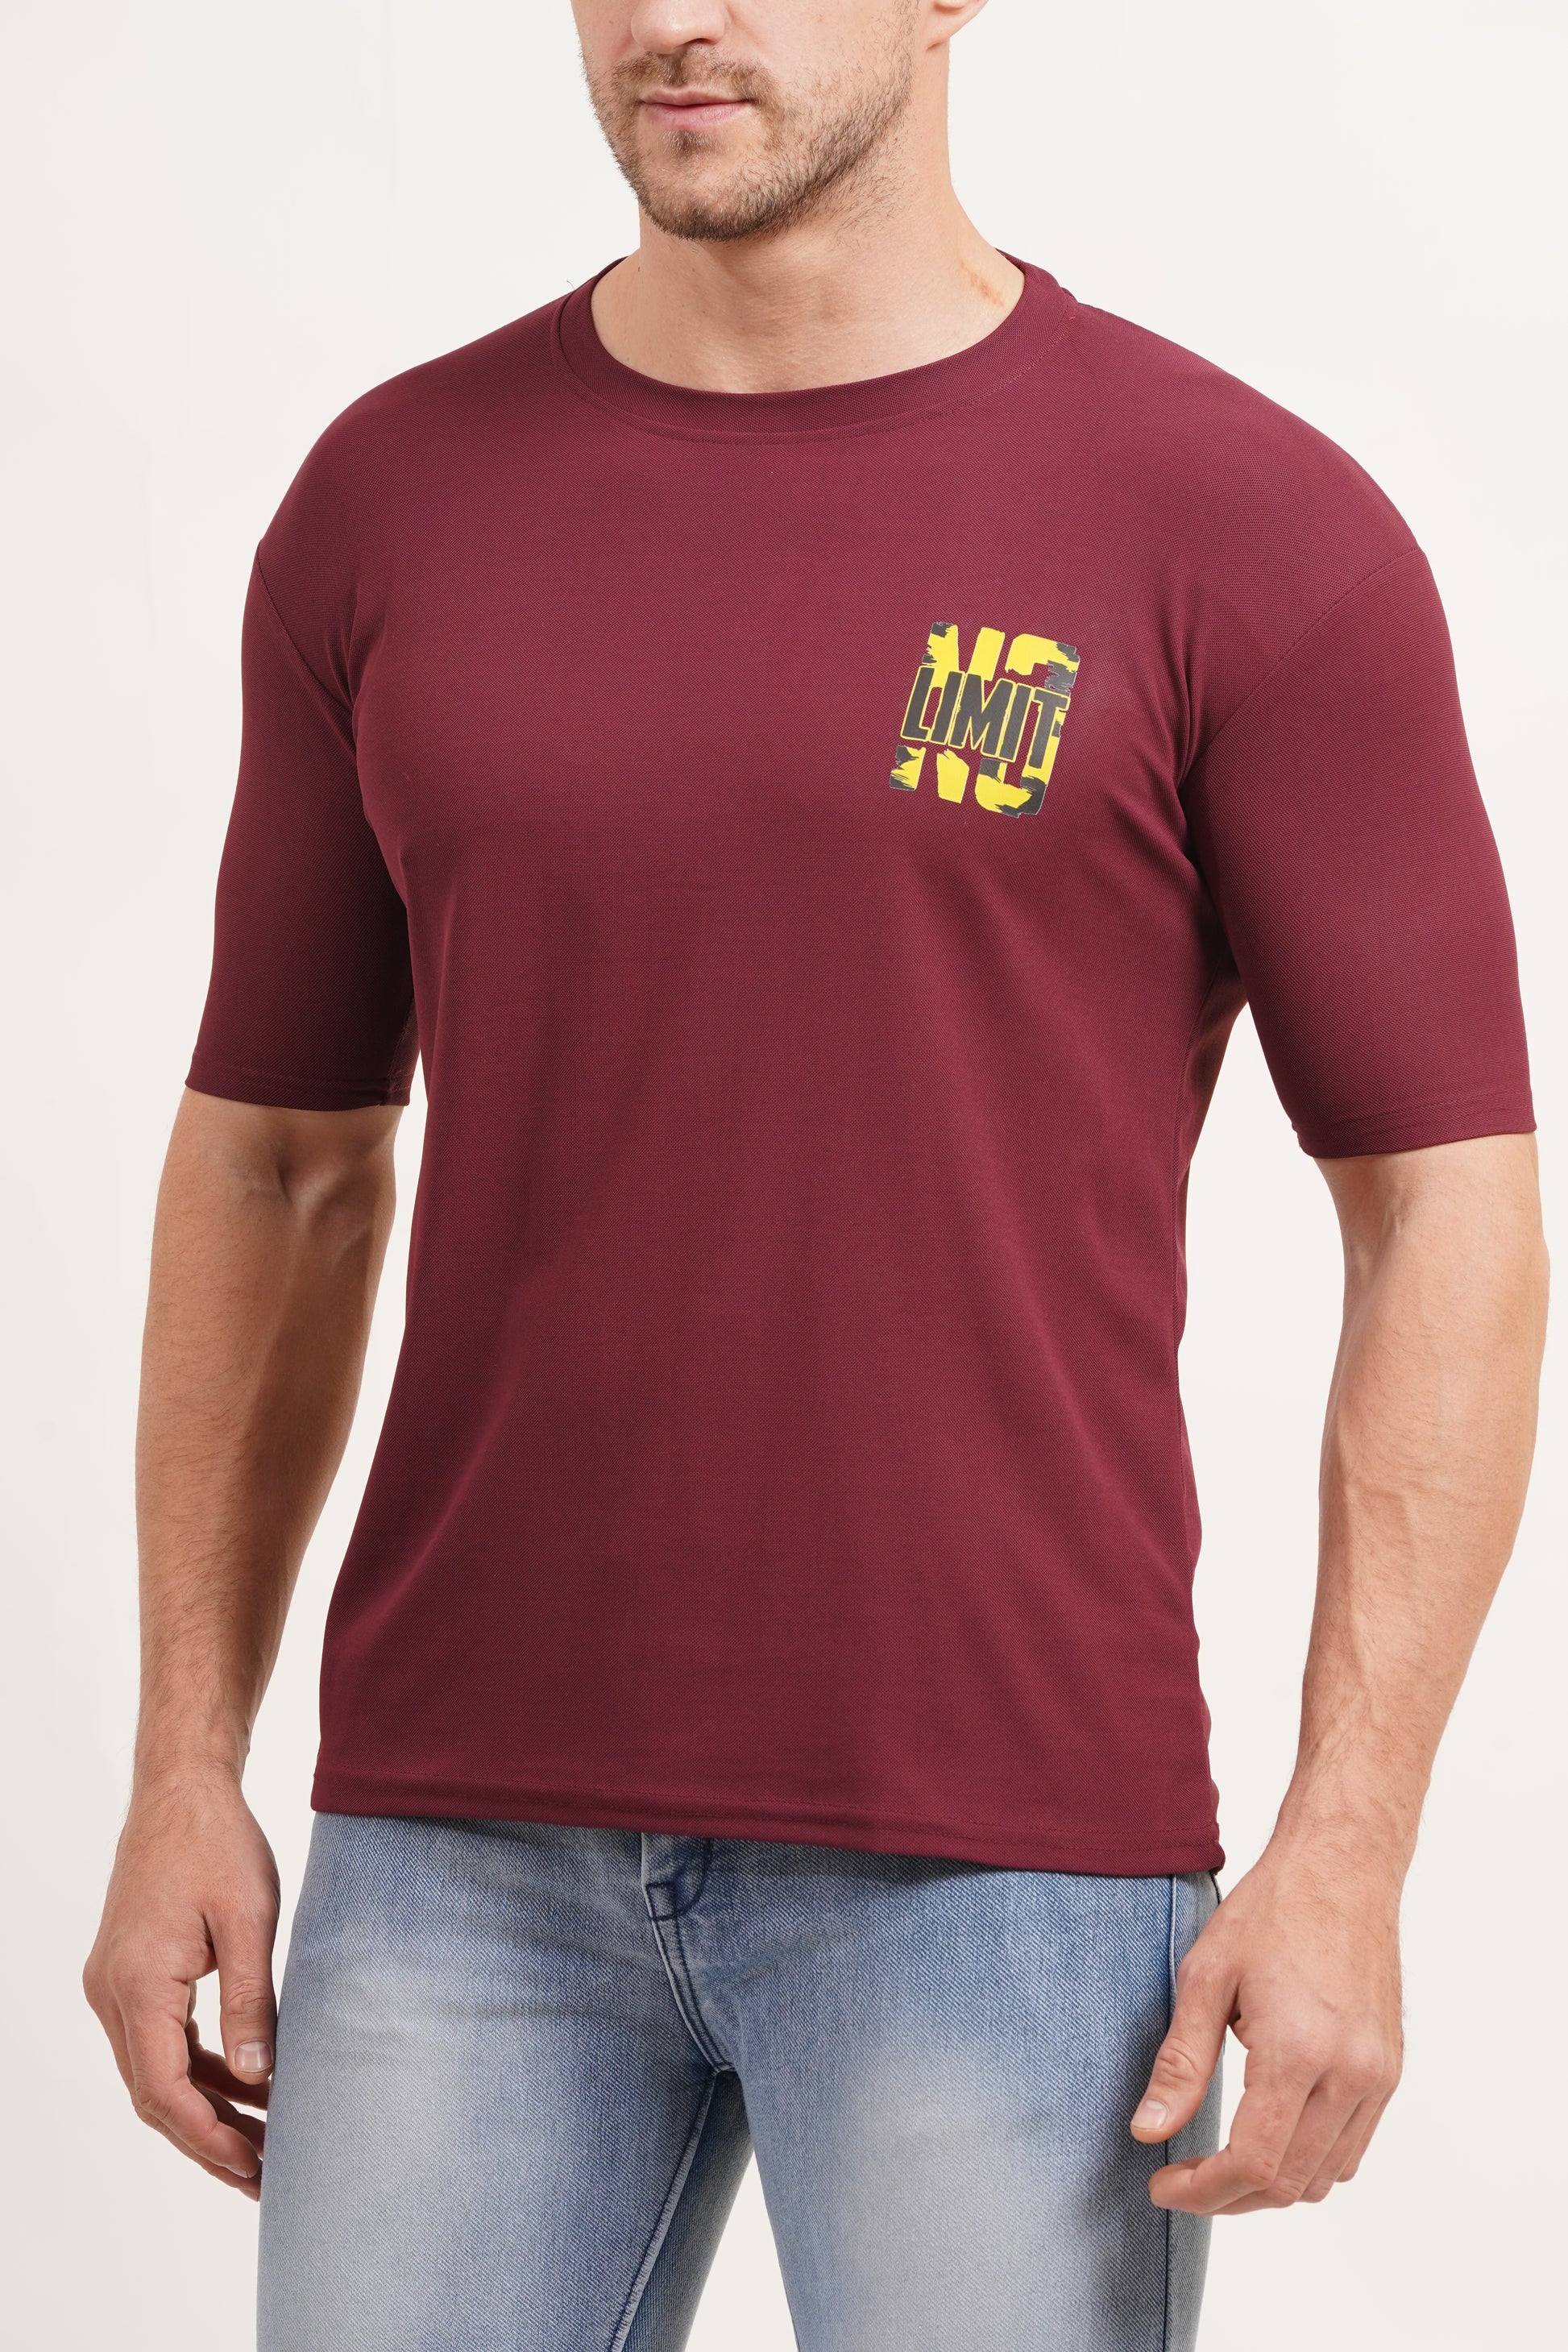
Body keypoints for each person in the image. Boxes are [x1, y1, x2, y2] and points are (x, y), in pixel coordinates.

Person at [84, 2, 1547, 2346]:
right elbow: (276, 1159)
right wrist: (182, 1759)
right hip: (453, 1845)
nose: (679, 17)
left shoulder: (1239, 524)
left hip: (1004, 1852)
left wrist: (1348, 1843)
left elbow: (1443, 1200)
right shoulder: (391, 501)